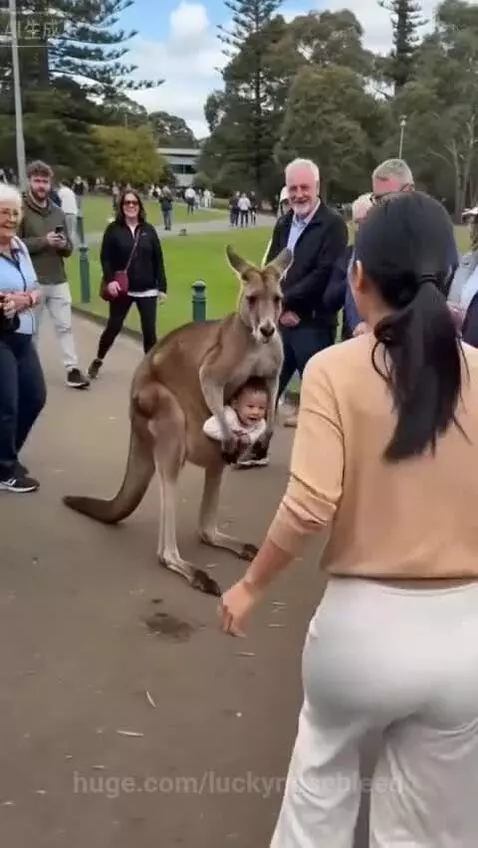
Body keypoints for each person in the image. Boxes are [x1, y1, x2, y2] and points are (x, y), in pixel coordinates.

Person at [219, 191, 478, 847]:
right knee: (429, 832)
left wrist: (251, 586)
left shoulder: (335, 370)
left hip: (362, 630)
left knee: (317, 810)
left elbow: (308, 504)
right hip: (465, 638)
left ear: (357, 277)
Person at [236, 157, 347, 467]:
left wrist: (284, 303)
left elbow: (324, 273)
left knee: (318, 398)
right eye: (294, 188)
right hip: (280, 324)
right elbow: (270, 268)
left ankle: (323, 464)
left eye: (305, 188)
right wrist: (278, 310)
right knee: (265, 390)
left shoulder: (333, 225)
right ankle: (258, 447)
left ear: (317, 187)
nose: (299, 194)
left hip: (312, 324)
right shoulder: (285, 221)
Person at [18, 160, 90, 389]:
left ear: (51, 184)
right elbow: (14, 245)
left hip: (58, 277)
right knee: (32, 331)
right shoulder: (19, 210)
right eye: (37, 180)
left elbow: (69, 249)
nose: (41, 185)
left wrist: (62, 244)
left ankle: (72, 369)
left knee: (65, 326)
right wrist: (43, 241)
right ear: (30, 181)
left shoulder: (58, 212)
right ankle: (28, 373)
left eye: (45, 181)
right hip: (32, 281)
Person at [88, 189, 168, 380]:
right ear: (121, 207)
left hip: (147, 288)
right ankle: (98, 359)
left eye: (134, 203)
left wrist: (162, 288)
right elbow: (105, 258)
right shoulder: (114, 230)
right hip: (122, 288)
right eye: (127, 203)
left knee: (149, 332)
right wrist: (110, 281)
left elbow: (158, 259)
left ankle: (151, 372)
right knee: (113, 326)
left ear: (140, 206)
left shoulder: (148, 230)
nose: (131, 206)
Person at [0, 184, 46, 493]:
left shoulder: (19, 245)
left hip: (22, 335)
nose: (11, 218)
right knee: (7, 405)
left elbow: (38, 288)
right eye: (4, 212)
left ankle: (6, 456)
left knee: (35, 396)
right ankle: (5, 469)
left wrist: (25, 300)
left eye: (15, 212)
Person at [203, 378, 267, 455]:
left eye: (261, 408)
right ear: (235, 404)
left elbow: (260, 431)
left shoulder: (261, 422)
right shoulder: (229, 416)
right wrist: (228, 436)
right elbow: (207, 427)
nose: (256, 412)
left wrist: (249, 437)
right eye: (250, 406)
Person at [57, 179, 79, 248]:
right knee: (72, 230)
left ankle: (67, 245)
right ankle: (72, 245)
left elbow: (57, 200)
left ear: (62, 184)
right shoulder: (71, 191)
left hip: (65, 212)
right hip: (73, 212)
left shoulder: (61, 191)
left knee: (66, 230)